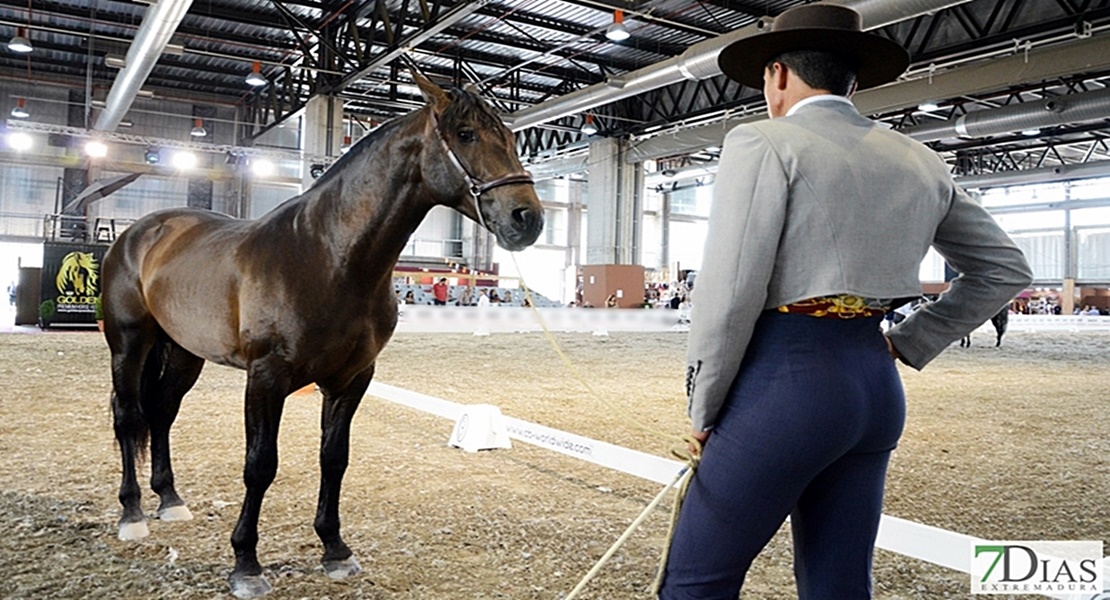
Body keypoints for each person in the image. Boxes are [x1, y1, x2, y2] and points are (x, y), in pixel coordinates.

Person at [657, 4, 1033, 599]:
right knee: (838, 582)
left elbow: (729, 296)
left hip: (783, 386)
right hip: (874, 386)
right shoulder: (920, 159)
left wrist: (705, 410)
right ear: (851, 79)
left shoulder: (763, 141)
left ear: (777, 74)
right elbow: (1006, 269)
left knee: (695, 581)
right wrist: (910, 340)